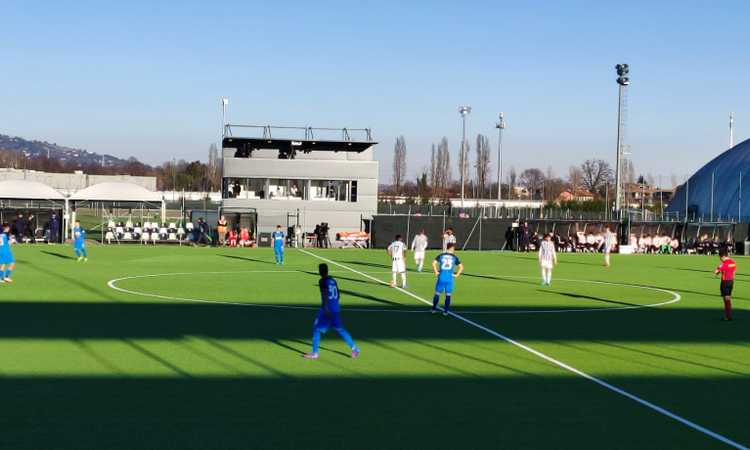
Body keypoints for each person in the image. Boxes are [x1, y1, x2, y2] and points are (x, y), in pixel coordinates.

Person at [304, 263, 360, 360]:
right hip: (335, 308)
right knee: (340, 329)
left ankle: (314, 353)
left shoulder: (322, 281)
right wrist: (334, 304)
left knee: (316, 329)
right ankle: (354, 348)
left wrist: (326, 308)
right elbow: (338, 295)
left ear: (320, 271)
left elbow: (325, 295)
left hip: (327, 310)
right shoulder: (333, 280)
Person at [431, 243, 463, 316]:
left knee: (437, 293)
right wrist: (457, 275)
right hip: (450, 278)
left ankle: (433, 309)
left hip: (441, 277)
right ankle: (445, 311)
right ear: (451, 248)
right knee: (448, 295)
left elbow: (433, 263)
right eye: (453, 248)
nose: (454, 250)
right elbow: (461, 267)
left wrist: (436, 272)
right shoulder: (454, 257)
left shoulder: (441, 255)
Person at [714, 249, 736, 321]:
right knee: (728, 298)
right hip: (731, 281)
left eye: (720, 258)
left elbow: (716, 271)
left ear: (722, 256)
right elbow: (733, 271)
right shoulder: (733, 262)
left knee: (726, 300)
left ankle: (728, 316)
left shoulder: (723, 264)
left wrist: (717, 272)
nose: (720, 259)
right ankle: (728, 314)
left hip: (725, 282)